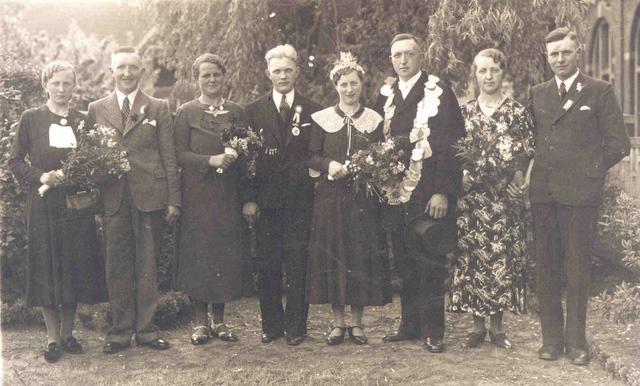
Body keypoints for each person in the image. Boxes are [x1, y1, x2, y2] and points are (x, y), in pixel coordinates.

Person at [529, 27, 630, 365]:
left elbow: (618, 144)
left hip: (580, 195)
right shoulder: (537, 93)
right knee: (546, 269)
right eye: (553, 54)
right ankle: (551, 341)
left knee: (577, 269)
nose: (559, 59)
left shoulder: (599, 91)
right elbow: (528, 144)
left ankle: (576, 343)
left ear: (578, 52)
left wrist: (590, 170)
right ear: (547, 56)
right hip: (544, 193)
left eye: (565, 53)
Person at [9, 61, 108, 363]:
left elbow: (93, 162)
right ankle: (52, 338)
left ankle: (68, 334)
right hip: (43, 207)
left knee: (73, 267)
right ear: (46, 85)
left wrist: (77, 176)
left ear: (74, 86)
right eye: (56, 84)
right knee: (48, 269)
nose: (62, 89)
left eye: (67, 84)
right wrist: (42, 177)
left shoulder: (83, 120)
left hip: (75, 205)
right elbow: (15, 161)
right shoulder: (32, 118)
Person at [374, 33, 465, 353]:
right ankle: (409, 325)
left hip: (429, 192)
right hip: (396, 194)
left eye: (409, 54)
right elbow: (377, 144)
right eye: (397, 55)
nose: (403, 61)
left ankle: (433, 330)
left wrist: (443, 192)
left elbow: (455, 146)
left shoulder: (439, 91)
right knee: (404, 261)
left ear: (420, 56)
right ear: (391, 59)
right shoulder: (386, 94)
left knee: (429, 261)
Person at [87, 47, 181, 354]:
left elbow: (169, 155)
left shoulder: (157, 106)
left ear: (141, 72)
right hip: (113, 198)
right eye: (121, 67)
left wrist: (173, 200)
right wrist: (95, 198)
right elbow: (90, 158)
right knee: (117, 266)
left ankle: (147, 330)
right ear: (112, 71)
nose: (127, 73)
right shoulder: (97, 108)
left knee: (148, 265)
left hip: (150, 197)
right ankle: (120, 331)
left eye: (133, 67)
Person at [448, 48, 535, 349]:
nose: (488, 76)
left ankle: (497, 327)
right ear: (475, 74)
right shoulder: (464, 113)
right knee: (472, 258)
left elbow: (526, 150)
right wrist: (461, 174)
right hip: (472, 200)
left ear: (503, 74)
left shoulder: (517, 112)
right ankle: (476, 326)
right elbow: (455, 153)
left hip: (503, 198)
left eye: (494, 71)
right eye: (482, 71)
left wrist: (518, 176)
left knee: (501, 257)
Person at [306, 53, 391, 345]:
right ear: (336, 86)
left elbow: (383, 155)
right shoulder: (321, 119)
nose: (349, 89)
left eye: (354, 83)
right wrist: (329, 165)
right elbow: (312, 155)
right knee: (335, 255)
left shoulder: (374, 120)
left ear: (362, 85)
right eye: (343, 84)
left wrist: (371, 166)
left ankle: (357, 323)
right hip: (331, 200)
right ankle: (337, 322)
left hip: (363, 200)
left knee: (359, 256)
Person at [244, 44, 320, 346]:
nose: (282, 75)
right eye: (277, 71)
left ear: (297, 72)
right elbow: (246, 159)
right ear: (268, 74)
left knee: (298, 263)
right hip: (266, 201)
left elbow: (316, 154)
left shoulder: (313, 110)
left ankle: (296, 327)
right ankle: (272, 325)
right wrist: (249, 198)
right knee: (267, 264)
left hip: (301, 199)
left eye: (288, 70)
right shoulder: (252, 111)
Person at [173, 53, 249, 345]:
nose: (212, 80)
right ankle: (199, 323)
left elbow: (246, 151)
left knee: (223, 255)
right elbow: (180, 154)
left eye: (216, 74)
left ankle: (219, 321)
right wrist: (211, 159)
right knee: (199, 255)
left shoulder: (236, 111)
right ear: (197, 79)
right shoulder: (186, 112)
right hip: (197, 194)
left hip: (228, 195)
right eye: (205, 75)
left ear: (224, 76)